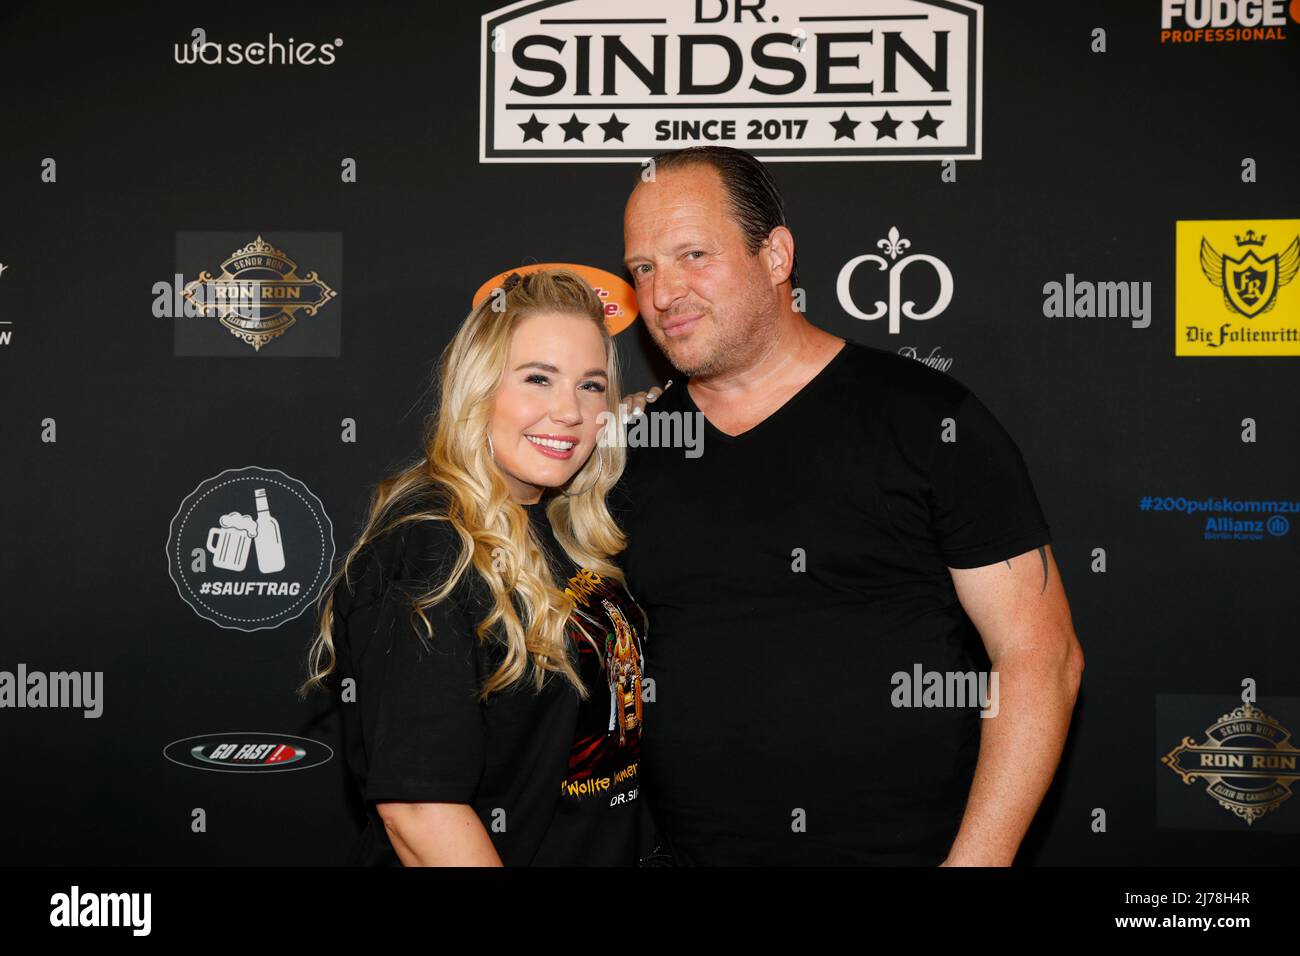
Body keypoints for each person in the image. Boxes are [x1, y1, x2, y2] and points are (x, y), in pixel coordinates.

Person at [614, 146, 1084, 866]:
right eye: (643, 267)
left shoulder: (929, 421)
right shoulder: (626, 455)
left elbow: (1039, 655)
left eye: (693, 255)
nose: (664, 292)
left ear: (776, 256)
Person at [299, 268, 648, 866]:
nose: (568, 410)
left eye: (591, 386)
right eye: (538, 378)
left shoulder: (562, 526)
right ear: (478, 387)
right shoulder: (429, 550)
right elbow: (419, 810)